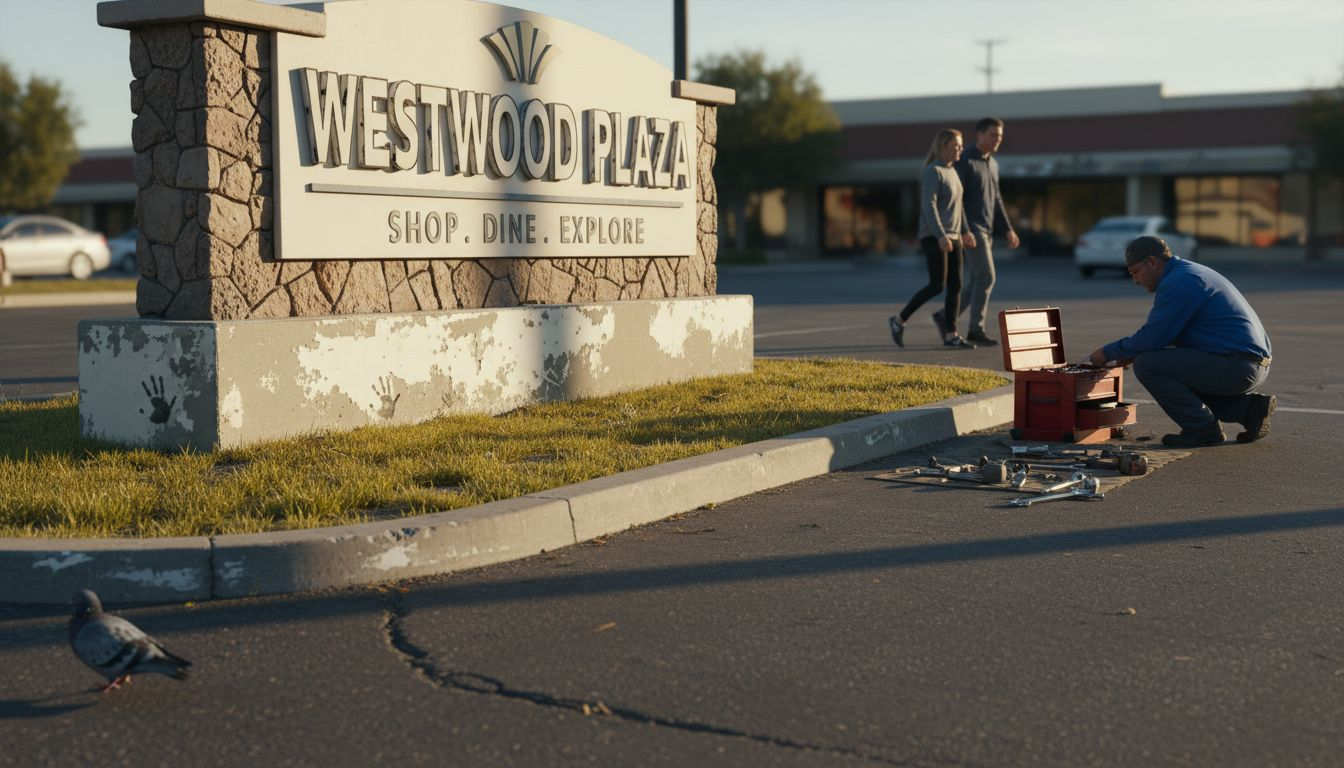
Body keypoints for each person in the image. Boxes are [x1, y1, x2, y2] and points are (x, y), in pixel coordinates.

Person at [1086, 235, 1275, 447]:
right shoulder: (1189, 272)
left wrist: (1108, 352)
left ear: (1152, 262)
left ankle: (1202, 429)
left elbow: (1152, 338)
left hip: (1238, 367)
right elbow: (1168, 335)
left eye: (1135, 272)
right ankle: (1249, 410)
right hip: (1248, 364)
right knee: (1168, 367)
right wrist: (1130, 352)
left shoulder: (1179, 282)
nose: (1135, 280)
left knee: (1149, 365)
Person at [889, 129, 976, 349]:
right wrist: (940, 235)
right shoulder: (933, 171)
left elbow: (959, 207)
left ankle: (951, 335)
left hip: (953, 237)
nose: (960, 149)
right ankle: (899, 320)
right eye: (956, 146)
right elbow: (929, 206)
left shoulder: (952, 172)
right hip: (934, 236)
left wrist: (965, 231)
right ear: (943, 146)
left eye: (961, 145)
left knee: (955, 286)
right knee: (937, 285)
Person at [954, 117, 1020, 347]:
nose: (997, 140)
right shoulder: (964, 160)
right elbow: (957, 198)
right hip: (972, 229)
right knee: (987, 277)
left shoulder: (993, 164)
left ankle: (945, 317)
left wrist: (1008, 229)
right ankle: (975, 330)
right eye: (993, 135)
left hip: (988, 230)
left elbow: (997, 200)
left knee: (976, 281)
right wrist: (964, 229)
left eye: (1000, 136)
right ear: (979, 135)